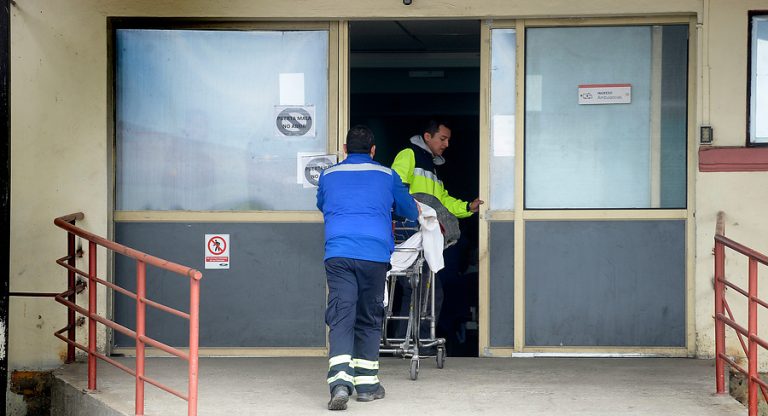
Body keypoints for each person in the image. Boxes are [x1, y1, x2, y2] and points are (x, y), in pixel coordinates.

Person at [317, 125, 419, 411]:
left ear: (346, 150)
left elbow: (323, 204)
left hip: (338, 253)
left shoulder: (328, 174)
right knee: (369, 316)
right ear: (373, 151)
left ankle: (339, 383)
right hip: (374, 254)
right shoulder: (388, 175)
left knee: (341, 315)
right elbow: (409, 210)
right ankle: (367, 386)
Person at [390, 119, 483, 349]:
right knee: (420, 290)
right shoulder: (409, 154)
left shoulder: (431, 167)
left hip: (425, 235)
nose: (447, 144)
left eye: (448, 140)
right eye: (443, 139)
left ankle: (414, 342)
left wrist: (467, 208)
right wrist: (415, 211)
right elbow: (394, 187)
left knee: (426, 291)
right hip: (411, 234)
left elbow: (442, 202)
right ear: (428, 136)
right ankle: (411, 343)